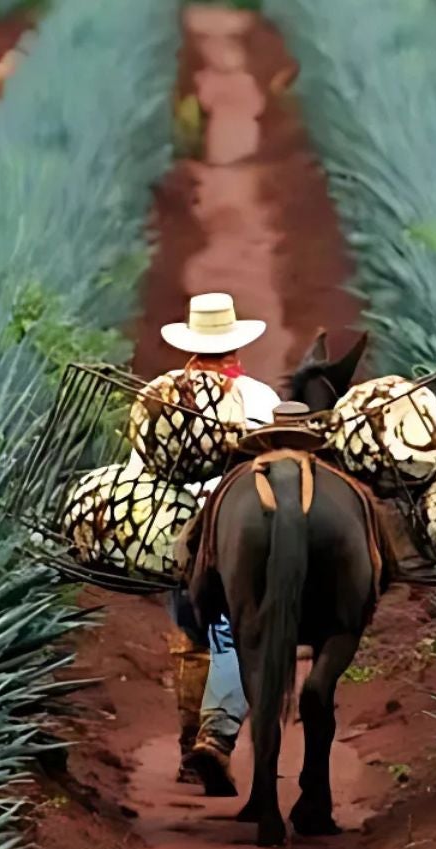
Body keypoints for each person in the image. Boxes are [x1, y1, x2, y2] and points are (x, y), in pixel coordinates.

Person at [151, 292, 278, 793]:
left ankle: (191, 750)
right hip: (251, 537)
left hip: (186, 534)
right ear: (235, 351)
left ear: (191, 349)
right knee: (239, 637)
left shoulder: (162, 399)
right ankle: (216, 738)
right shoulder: (263, 398)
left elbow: (145, 471)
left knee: (191, 639)